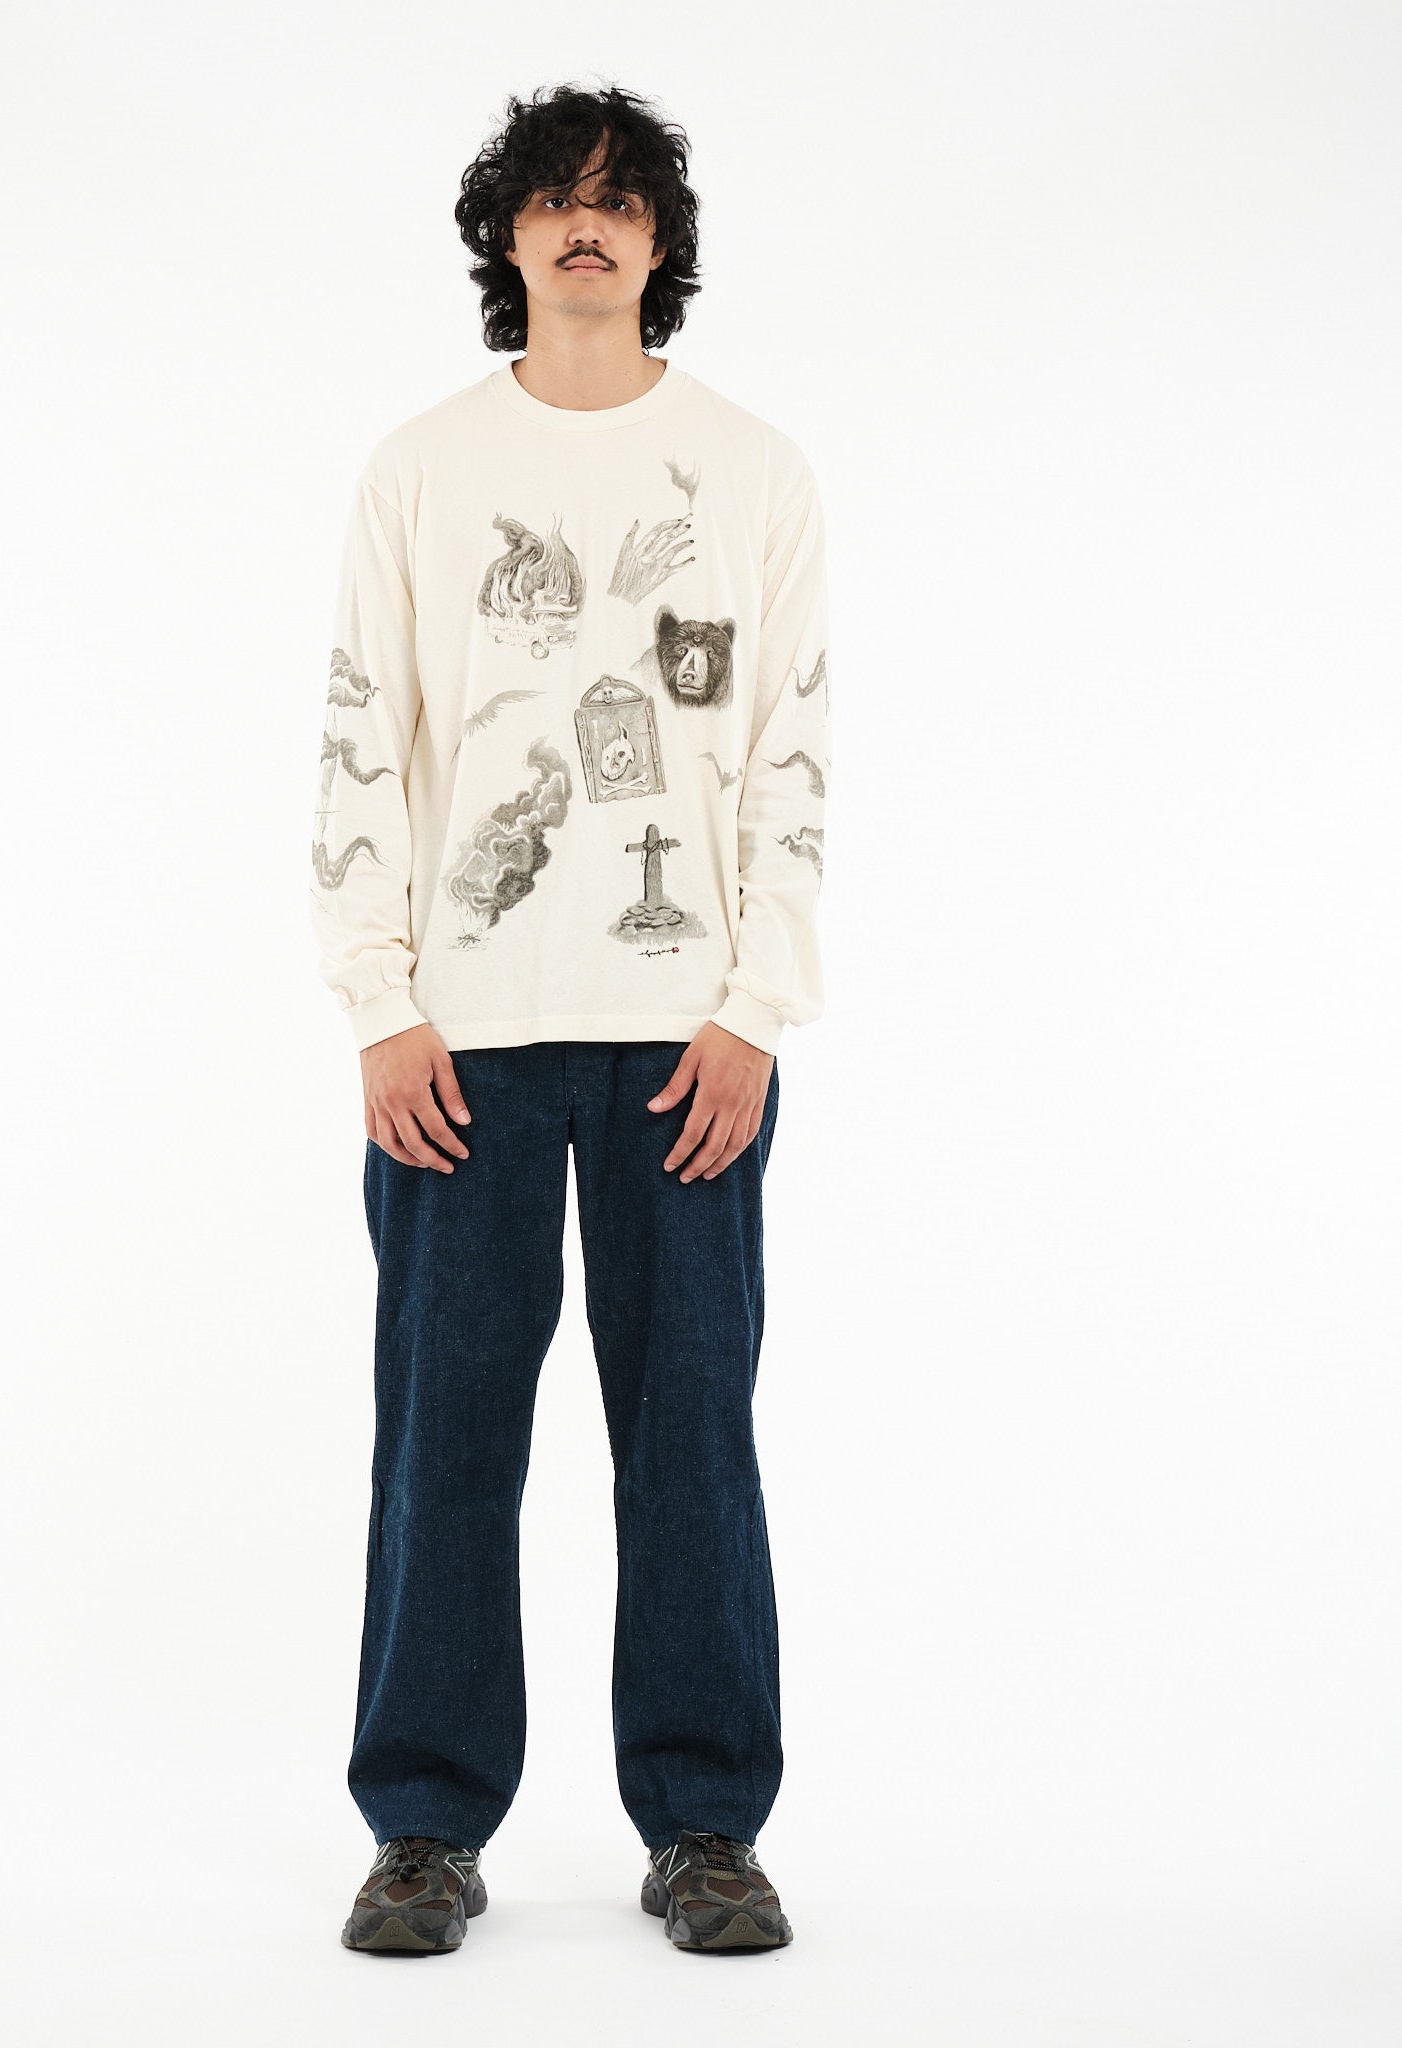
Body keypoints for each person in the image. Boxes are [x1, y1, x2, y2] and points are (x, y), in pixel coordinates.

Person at [313, 81, 831, 1956]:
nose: (585, 222)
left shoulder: (753, 472)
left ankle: (704, 1825)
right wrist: (380, 1004)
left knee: (687, 1433)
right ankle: (422, 1826)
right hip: (463, 1036)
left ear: (661, 241)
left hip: (688, 1039)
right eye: (551, 197)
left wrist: (757, 1011)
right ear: (508, 237)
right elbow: (362, 736)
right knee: (444, 1432)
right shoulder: (421, 467)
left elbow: (792, 746)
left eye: (618, 197)